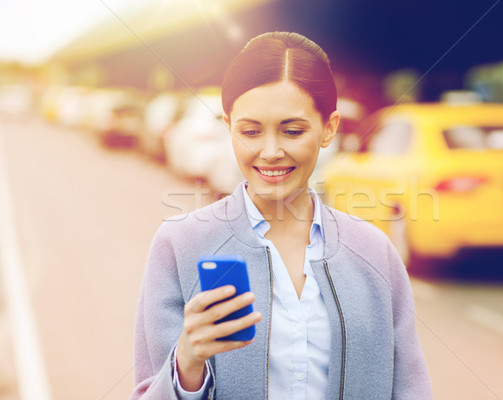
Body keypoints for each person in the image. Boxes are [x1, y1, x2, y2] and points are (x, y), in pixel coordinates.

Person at [131, 31, 432, 399]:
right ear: (228, 128)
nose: (270, 151)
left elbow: (409, 390)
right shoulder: (179, 245)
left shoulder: (374, 252)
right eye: (250, 131)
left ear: (329, 128)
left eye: (292, 131)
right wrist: (187, 365)